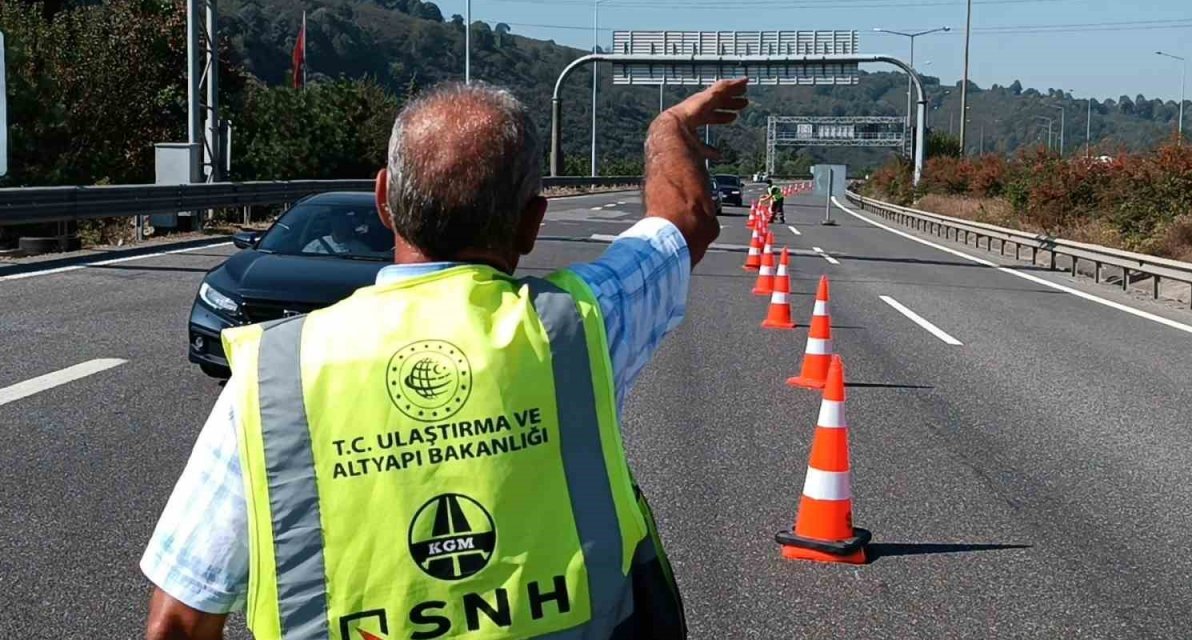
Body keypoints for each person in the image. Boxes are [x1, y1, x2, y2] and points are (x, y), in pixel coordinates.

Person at [141, 77, 749, 640]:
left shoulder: (274, 378)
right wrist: (667, 127)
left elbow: (180, 620)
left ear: (384, 200)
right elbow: (684, 219)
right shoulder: (579, 325)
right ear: (532, 223)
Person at [301, 212, 372, 255]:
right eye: (337, 222)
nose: (339, 225)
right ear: (332, 224)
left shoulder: (361, 249)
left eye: (343, 222)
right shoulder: (315, 246)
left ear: (349, 225)